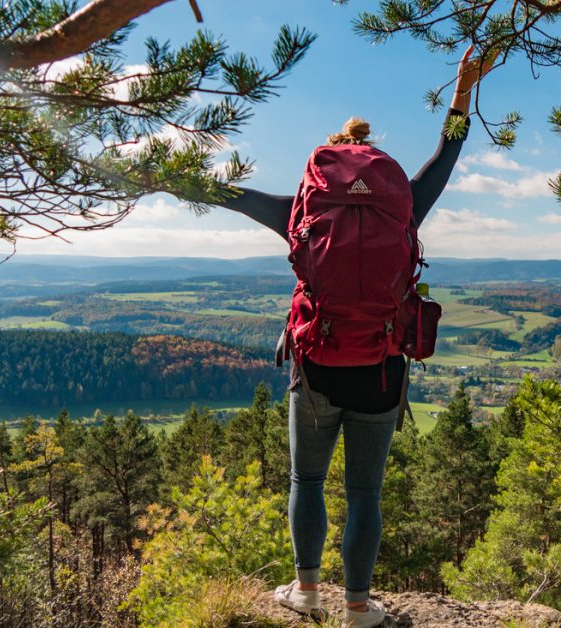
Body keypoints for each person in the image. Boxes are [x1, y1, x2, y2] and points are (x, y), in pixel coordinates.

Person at [206, 47, 489, 627]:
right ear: (375, 162)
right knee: (366, 495)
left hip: (317, 366)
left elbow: (221, 193)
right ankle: (359, 609)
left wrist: (151, 170)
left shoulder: (300, 209)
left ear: (325, 164)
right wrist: (463, 85)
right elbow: (450, 149)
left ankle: (306, 593)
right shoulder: (405, 204)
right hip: (382, 368)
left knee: (306, 480)